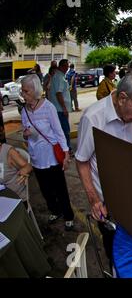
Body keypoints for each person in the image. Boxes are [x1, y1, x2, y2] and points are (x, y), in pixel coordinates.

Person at [75, 71, 132, 265]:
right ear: (122, 98)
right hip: (107, 204)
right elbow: (82, 162)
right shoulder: (93, 118)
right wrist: (94, 200)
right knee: (115, 252)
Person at [20, 74, 73, 230]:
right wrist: (26, 134)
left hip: (51, 156)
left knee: (60, 188)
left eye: (26, 91)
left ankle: (68, 215)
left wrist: (65, 153)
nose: (23, 94)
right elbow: (24, 132)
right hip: (36, 157)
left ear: (35, 91)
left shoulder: (48, 107)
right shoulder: (25, 110)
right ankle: (55, 210)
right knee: (45, 189)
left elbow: (58, 131)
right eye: (22, 91)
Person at [48, 59, 72, 153]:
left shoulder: (59, 76)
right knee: (65, 130)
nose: (67, 68)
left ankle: (65, 149)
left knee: (61, 130)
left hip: (59, 109)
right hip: (60, 110)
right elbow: (59, 93)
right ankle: (67, 149)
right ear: (62, 66)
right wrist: (64, 108)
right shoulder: (59, 77)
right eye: (66, 66)